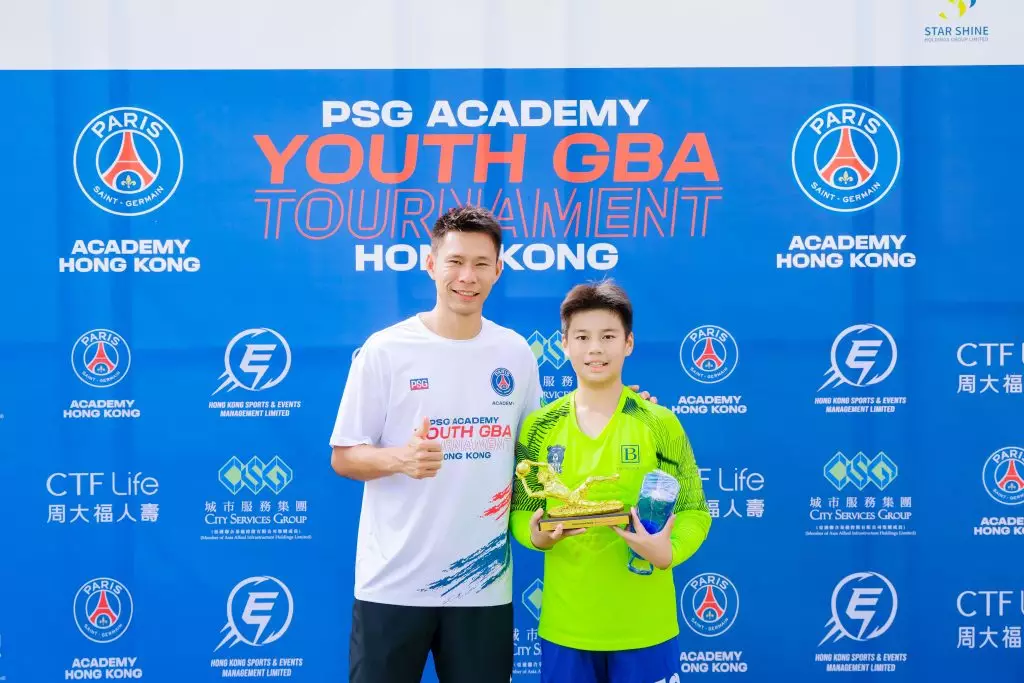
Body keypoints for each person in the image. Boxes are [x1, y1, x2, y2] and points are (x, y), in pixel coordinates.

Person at [328, 206, 656, 683]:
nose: (468, 276)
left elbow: (545, 444)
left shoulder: (514, 352)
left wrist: (618, 402)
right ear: (431, 265)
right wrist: (400, 458)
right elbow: (343, 457)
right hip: (393, 584)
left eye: (482, 264)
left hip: (483, 587)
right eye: (456, 262)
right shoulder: (386, 350)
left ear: (498, 270)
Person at [509, 280, 712, 683]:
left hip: (646, 627)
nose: (595, 349)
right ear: (564, 344)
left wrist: (667, 551)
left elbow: (694, 510)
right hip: (567, 628)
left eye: (608, 336)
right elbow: (520, 512)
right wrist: (536, 536)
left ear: (628, 343)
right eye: (582, 337)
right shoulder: (539, 427)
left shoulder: (660, 423)